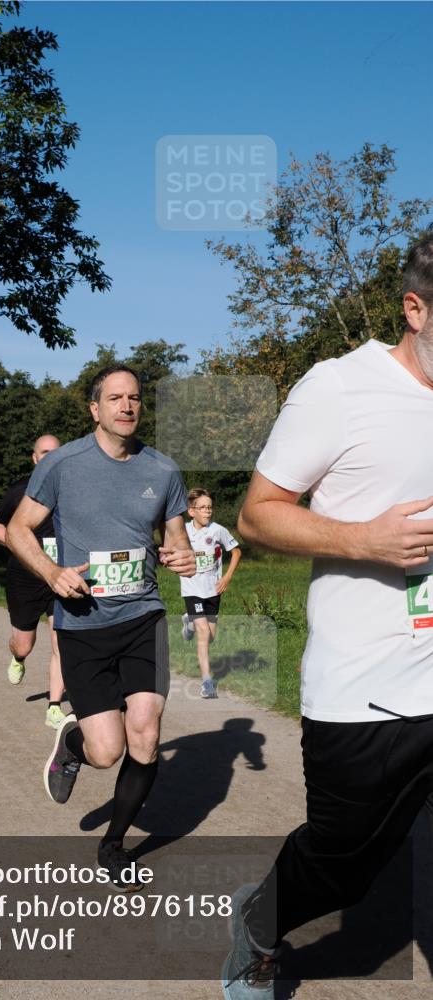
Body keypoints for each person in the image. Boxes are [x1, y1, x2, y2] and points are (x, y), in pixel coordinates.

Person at [221, 231, 433, 999]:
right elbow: (258, 515)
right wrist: (365, 540)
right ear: (415, 308)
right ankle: (259, 923)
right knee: (345, 866)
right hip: (367, 692)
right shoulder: (340, 388)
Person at [6, 364, 196, 888]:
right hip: (84, 623)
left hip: (142, 616)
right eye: (115, 398)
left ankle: (114, 844)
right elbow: (20, 528)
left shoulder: (163, 470)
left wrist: (182, 558)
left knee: (146, 736)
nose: (127, 406)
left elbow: (177, 539)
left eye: (134, 397)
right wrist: (50, 571)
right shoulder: (63, 465)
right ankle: (72, 746)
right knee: (106, 751)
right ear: (95, 408)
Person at [0, 434, 67, 729]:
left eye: (55, 453)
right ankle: (18, 658)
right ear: (34, 458)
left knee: (62, 641)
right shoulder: (20, 491)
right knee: (24, 644)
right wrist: (21, 548)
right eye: (44, 453)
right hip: (25, 578)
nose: (49, 457)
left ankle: (55, 706)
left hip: (61, 577)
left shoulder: (73, 491)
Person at [180, 488, 241, 698]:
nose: (207, 511)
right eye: (203, 508)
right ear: (191, 511)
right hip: (192, 589)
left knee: (210, 636)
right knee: (204, 633)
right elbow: (172, 551)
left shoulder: (218, 530)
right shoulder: (183, 531)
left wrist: (227, 577)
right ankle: (207, 683)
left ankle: (188, 621)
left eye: (209, 507)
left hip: (213, 590)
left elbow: (236, 551)